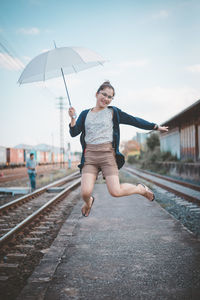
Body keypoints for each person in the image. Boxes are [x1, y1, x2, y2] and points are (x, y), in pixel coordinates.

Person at [68, 81, 168, 217]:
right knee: (85, 193)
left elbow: (134, 120)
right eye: (104, 94)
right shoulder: (85, 114)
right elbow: (74, 132)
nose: (106, 99)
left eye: (110, 97)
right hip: (90, 156)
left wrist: (154, 126)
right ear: (96, 94)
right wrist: (73, 118)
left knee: (115, 191)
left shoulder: (113, 112)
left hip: (108, 155)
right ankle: (88, 202)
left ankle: (140, 189)